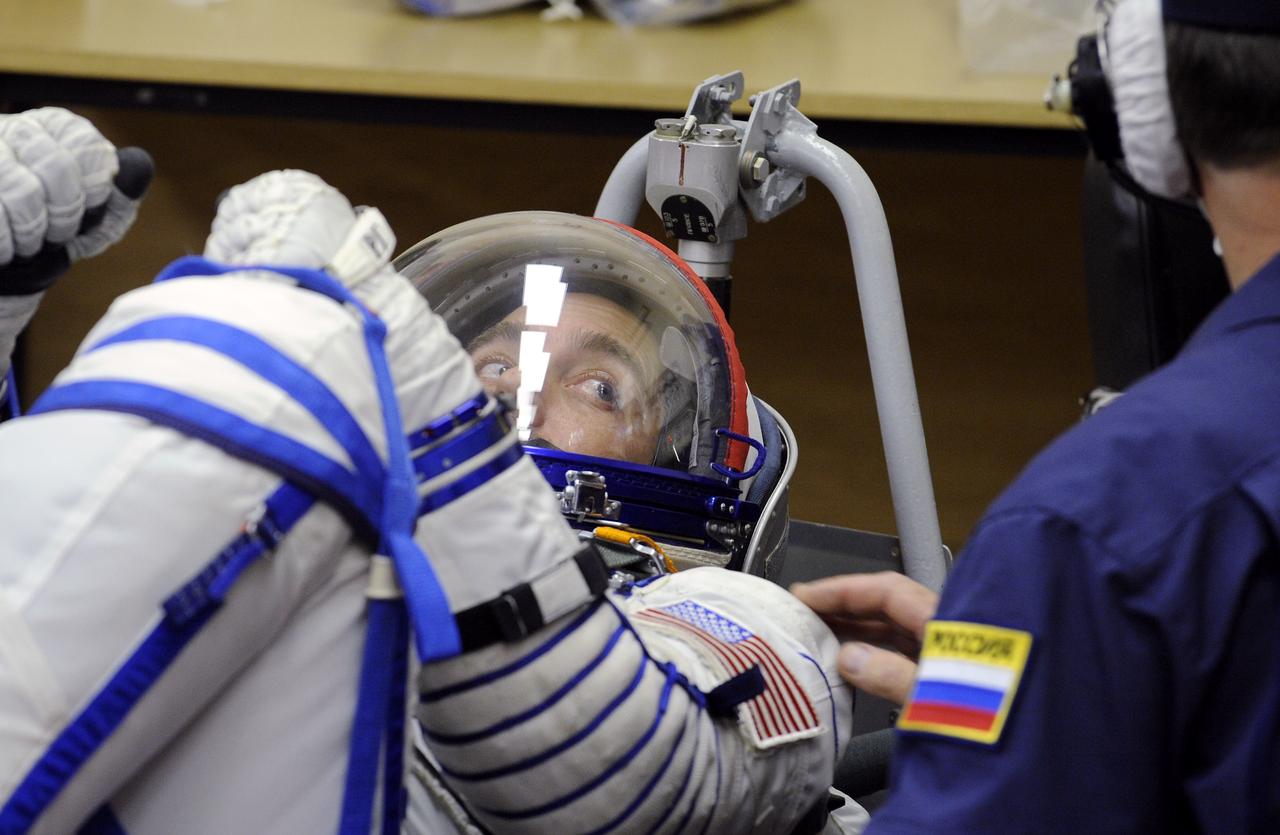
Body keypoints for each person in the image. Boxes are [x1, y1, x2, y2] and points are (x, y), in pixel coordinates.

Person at [0, 111, 865, 834]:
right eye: (488, 364)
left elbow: (622, 772)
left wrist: (437, 420)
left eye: (599, 386)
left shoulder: (735, 619)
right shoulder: (314, 536)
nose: (515, 393)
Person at [793, 0, 1280, 830]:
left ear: (1140, 98)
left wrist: (1010, 673)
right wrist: (1048, 666)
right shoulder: (1085, 553)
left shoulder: (1091, 527)